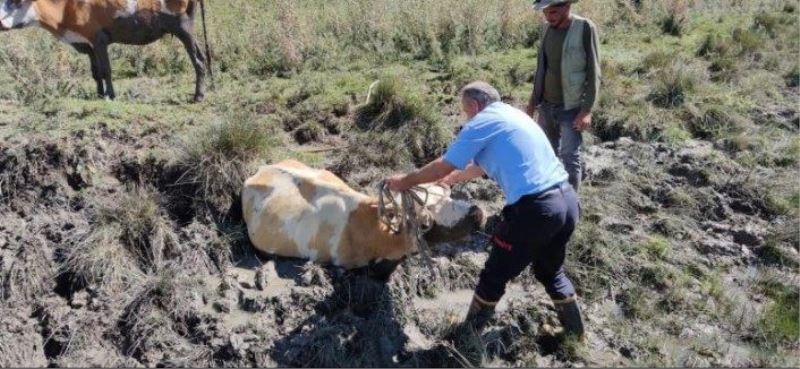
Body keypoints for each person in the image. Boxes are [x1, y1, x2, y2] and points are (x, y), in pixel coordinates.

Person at [385, 81, 585, 338]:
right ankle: (575, 336)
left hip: (535, 209)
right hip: (567, 201)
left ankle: (467, 338)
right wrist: (449, 180)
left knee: (493, 275)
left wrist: (405, 182)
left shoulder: (480, 122)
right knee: (550, 271)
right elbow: (479, 167)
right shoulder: (512, 116)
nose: (465, 116)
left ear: (474, 105)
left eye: (465, 110)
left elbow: (444, 164)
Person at [526, 0, 601, 191]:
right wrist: (532, 103)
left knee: (570, 157)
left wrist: (586, 110)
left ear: (567, 7)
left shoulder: (584, 28)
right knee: (546, 154)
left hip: (572, 106)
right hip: (547, 105)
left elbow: (594, 71)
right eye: (545, 12)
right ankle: (553, 200)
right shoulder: (546, 30)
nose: (548, 16)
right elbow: (541, 68)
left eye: (554, 12)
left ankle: (572, 205)